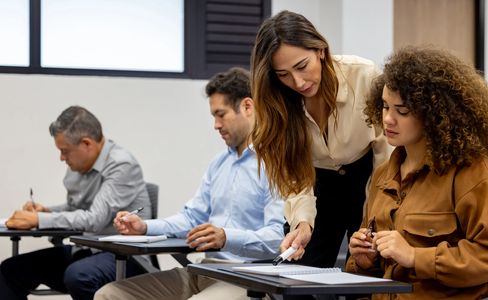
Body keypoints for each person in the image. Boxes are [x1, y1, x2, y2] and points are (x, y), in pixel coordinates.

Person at [94, 67, 285, 300]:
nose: (216, 124)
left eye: (220, 114)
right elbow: (191, 218)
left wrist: (226, 237)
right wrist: (144, 227)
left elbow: (278, 238)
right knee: (110, 295)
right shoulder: (219, 164)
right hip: (204, 269)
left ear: (247, 107)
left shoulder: (276, 164)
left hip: (249, 277)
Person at [346, 46, 488, 299]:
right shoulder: (383, 175)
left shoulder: (473, 174)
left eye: (402, 111)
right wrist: (363, 260)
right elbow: (376, 271)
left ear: (435, 115)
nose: (388, 119)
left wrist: (416, 257)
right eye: (384, 107)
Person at [250, 10, 388, 268]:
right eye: (283, 74)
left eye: (302, 66)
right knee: (298, 274)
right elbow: (294, 175)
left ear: (320, 50)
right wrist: (302, 223)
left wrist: (371, 218)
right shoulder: (276, 103)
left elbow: (385, 157)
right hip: (317, 182)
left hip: (369, 176)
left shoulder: (364, 76)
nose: (298, 82)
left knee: (363, 275)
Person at [0, 105, 151, 300]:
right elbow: (74, 209)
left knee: (79, 277)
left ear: (86, 143)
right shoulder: (79, 166)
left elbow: (94, 219)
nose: (62, 158)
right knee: (10, 270)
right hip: (86, 250)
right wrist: (46, 212)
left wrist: (39, 219)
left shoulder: (122, 165)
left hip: (124, 255)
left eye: (65, 151)